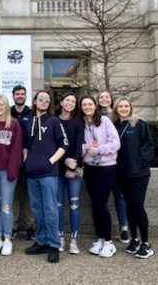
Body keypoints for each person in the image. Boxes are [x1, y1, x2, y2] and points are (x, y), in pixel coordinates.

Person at [23, 90, 68, 263]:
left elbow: (64, 144)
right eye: (40, 99)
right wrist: (27, 161)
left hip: (49, 173)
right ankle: (41, 242)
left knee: (50, 209)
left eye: (47, 100)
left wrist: (50, 161)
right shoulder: (28, 121)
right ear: (35, 101)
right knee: (37, 210)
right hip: (31, 173)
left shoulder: (54, 121)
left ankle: (54, 245)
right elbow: (25, 145)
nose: (44, 102)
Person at [112, 97, 155, 259]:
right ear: (116, 109)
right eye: (120, 106)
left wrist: (140, 163)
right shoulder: (114, 126)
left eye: (126, 106)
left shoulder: (140, 124)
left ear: (130, 108)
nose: (123, 108)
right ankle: (134, 239)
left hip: (139, 174)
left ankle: (146, 243)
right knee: (129, 207)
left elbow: (149, 147)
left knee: (137, 206)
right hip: (121, 174)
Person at [81, 95, 121, 258]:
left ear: (95, 106)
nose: (87, 107)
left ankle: (109, 242)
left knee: (101, 203)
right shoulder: (81, 123)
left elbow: (116, 143)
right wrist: (87, 147)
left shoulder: (105, 121)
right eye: (84, 104)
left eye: (90, 104)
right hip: (90, 167)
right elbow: (78, 145)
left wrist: (98, 150)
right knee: (95, 204)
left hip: (106, 167)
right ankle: (100, 238)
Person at [0, 95, 23, 256]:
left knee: (6, 205)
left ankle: (7, 239)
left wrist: (12, 171)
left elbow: (17, 150)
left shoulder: (13, 124)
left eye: (1, 104)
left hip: (7, 172)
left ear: (6, 106)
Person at [97, 90, 129, 243]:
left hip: (117, 161)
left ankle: (124, 228)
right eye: (101, 97)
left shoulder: (116, 116)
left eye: (106, 97)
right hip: (99, 162)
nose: (104, 99)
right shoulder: (94, 115)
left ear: (111, 100)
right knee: (101, 199)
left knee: (119, 196)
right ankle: (102, 231)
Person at [57, 92, 84, 255]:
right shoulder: (54, 120)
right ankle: (59, 238)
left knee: (74, 205)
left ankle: (74, 240)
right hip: (57, 169)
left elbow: (78, 145)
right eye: (67, 100)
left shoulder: (78, 122)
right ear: (61, 102)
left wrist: (72, 167)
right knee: (58, 205)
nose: (70, 103)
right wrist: (63, 162)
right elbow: (52, 145)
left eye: (73, 101)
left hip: (74, 170)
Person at [10, 85, 35, 240]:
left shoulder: (32, 113)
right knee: (13, 196)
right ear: (13, 96)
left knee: (29, 195)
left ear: (26, 96)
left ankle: (31, 227)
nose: (20, 96)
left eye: (22, 94)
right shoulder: (8, 112)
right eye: (17, 94)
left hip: (30, 160)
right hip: (12, 160)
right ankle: (13, 226)